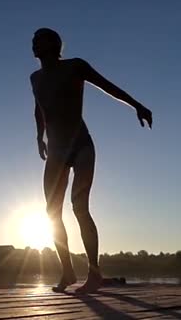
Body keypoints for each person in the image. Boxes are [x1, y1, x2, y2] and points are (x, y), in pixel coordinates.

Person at [30, 28, 152, 293]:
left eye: (41, 39)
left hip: (81, 146)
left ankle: (94, 274)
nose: (35, 44)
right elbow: (39, 109)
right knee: (51, 213)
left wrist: (137, 105)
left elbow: (108, 86)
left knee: (79, 208)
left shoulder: (75, 66)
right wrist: (39, 137)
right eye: (33, 41)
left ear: (55, 44)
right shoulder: (35, 78)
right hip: (56, 153)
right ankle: (67, 272)